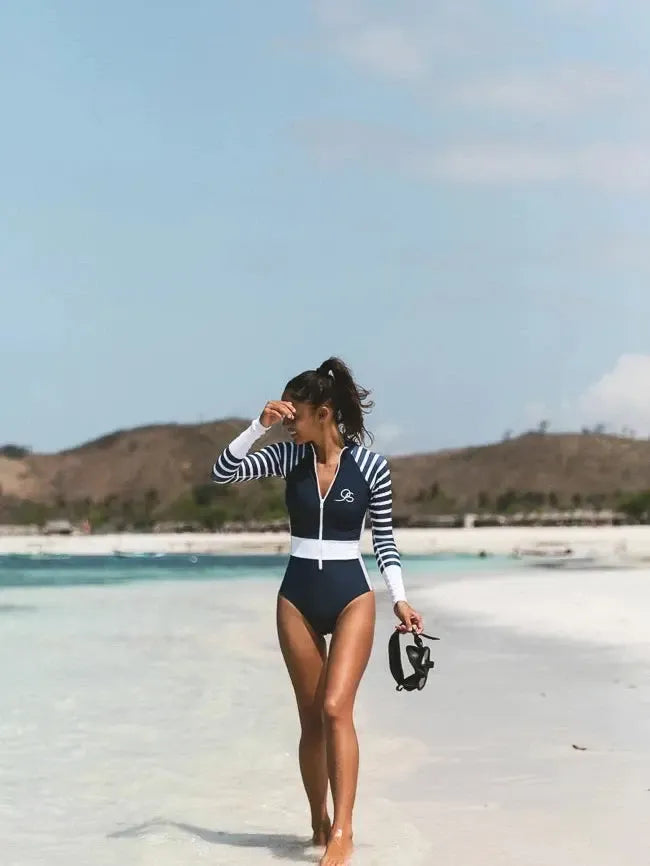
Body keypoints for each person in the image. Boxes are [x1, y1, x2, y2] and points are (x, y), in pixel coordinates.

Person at [211, 357, 424, 866]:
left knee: (335, 709)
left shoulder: (371, 467)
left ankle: (344, 830)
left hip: (352, 595)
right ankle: (318, 820)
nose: (288, 420)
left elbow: (386, 542)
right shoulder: (289, 459)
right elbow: (223, 473)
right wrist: (256, 427)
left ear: (323, 413)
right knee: (311, 720)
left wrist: (399, 596)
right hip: (297, 597)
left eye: (294, 414)